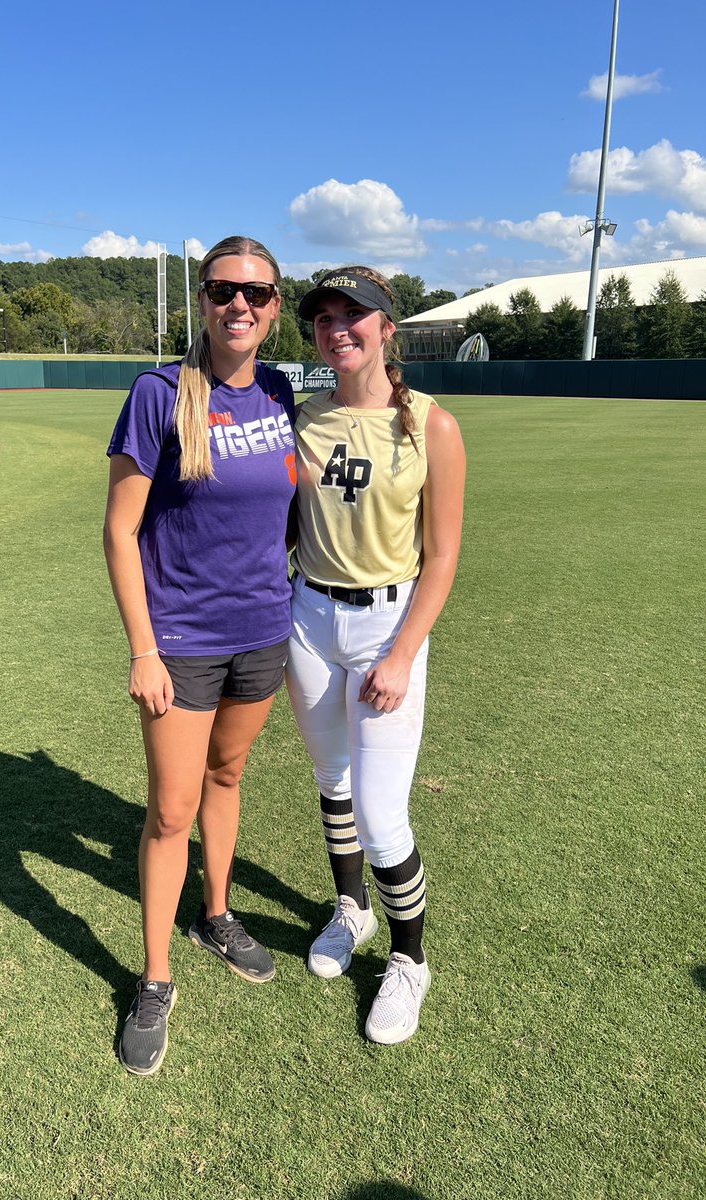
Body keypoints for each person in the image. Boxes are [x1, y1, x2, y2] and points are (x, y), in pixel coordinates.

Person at [103, 235, 296, 1075]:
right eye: (223, 290)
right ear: (204, 301)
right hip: (180, 641)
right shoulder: (159, 395)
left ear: (275, 307)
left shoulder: (283, 391)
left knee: (228, 778)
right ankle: (154, 978)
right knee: (171, 810)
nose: (238, 306)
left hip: (264, 631)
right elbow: (119, 530)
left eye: (255, 293)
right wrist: (142, 648)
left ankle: (215, 912)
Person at [286, 266, 465, 1044]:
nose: (338, 328)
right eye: (324, 317)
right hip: (310, 618)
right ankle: (350, 911)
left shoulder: (431, 424)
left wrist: (401, 655)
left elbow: (445, 557)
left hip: (389, 628)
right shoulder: (303, 419)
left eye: (354, 314)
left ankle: (410, 960)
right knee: (333, 783)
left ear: (388, 327)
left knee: (382, 813)